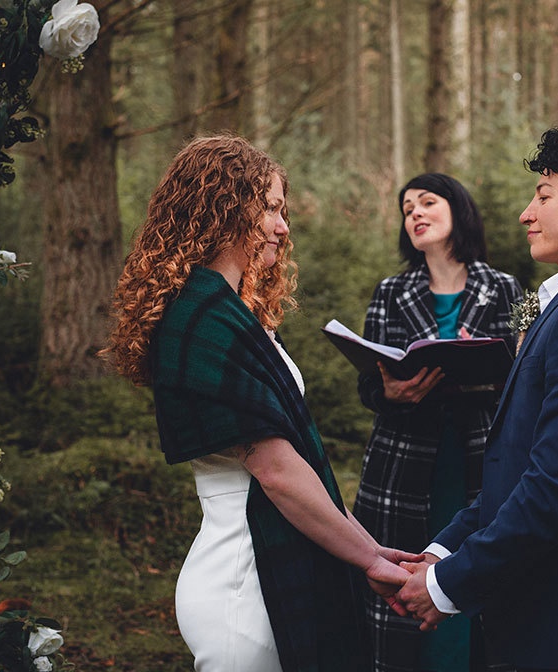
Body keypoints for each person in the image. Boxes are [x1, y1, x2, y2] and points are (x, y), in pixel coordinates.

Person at [102, 136, 417, 672]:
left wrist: (372, 549)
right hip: (244, 589)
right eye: (270, 208)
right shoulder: (200, 319)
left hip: (266, 567)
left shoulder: (231, 315)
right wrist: (367, 559)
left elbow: (303, 465)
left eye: (282, 211)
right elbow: (274, 468)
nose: (282, 226)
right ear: (225, 206)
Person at [397, 118, 558, 672]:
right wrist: (441, 550)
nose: (526, 212)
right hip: (544, 603)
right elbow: (516, 466)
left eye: (543, 195)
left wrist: (445, 585)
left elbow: (556, 487)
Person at [353, 173, 522, 672]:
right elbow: (368, 382)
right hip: (401, 464)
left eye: (427, 202)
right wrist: (390, 391)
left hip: (479, 458)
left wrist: (487, 370)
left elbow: (528, 374)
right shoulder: (390, 292)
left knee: (471, 579)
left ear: (459, 211)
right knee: (401, 585)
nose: (415, 214)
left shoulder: (505, 288)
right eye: (407, 209)